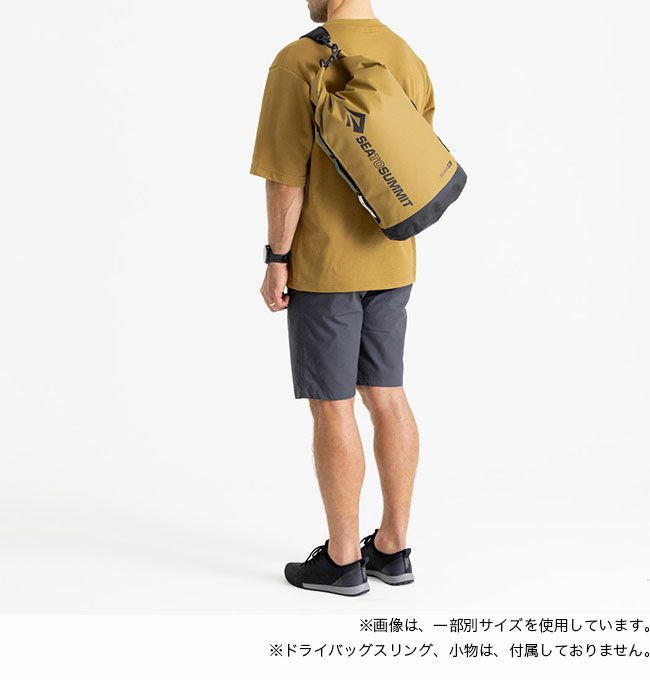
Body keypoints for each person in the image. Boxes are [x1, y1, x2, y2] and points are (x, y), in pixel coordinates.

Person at [250, 0, 435, 596]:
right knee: (387, 395)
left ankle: (342, 559)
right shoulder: (405, 55)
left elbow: (286, 177)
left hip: (326, 267)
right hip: (394, 259)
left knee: (332, 406)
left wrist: (277, 258)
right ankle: (393, 549)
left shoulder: (299, 61)